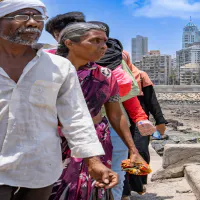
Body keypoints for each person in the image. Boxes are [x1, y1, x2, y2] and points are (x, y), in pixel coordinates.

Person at [0, 1, 117, 200]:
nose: (33, 23)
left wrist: (93, 161)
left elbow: (76, 116)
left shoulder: (59, 66)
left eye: (38, 18)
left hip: (40, 168)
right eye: (22, 16)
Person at [50, 22, 147, 200]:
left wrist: (133, 150)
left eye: (105, 42)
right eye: (95, 41)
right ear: (70, 43)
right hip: (53, 141)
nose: (103, 46)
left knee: (94, 189)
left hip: (96, 142)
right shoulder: (49, 72)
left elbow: (116, 115)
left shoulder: (106, 76)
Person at [122, 52, 168, 199]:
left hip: (140, 121)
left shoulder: (140, 76)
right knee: (121, 153)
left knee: (140, 151)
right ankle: (125, 189)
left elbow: (152, 101)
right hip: (120, 119)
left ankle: (136, 184)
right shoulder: (112, 74)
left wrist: (160, 121)